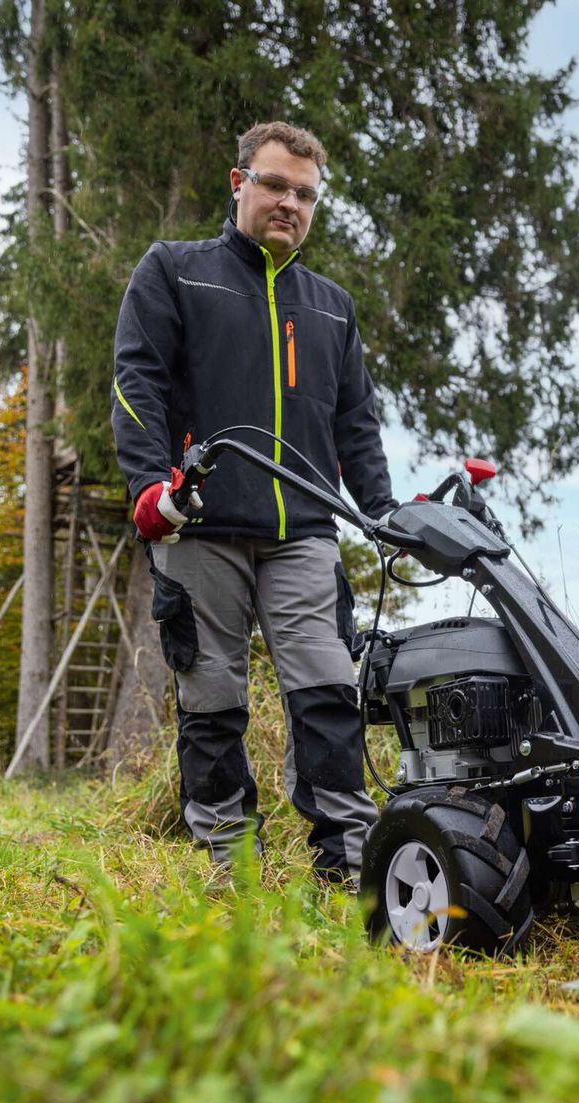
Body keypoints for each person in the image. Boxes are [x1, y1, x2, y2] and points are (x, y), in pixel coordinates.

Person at [110, 121, 395, 885]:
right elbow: (134, 381)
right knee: (212, 704)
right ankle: (232, 867)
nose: (289, 203)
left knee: (329, 693)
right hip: (198, 523)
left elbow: (355, 422)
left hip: (302, 529)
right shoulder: (176, 272)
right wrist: (149, 488)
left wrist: (383, 510)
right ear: (239, 184)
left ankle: (349, 861)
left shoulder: (331, 307)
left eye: (305, 193)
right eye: (275, 184)